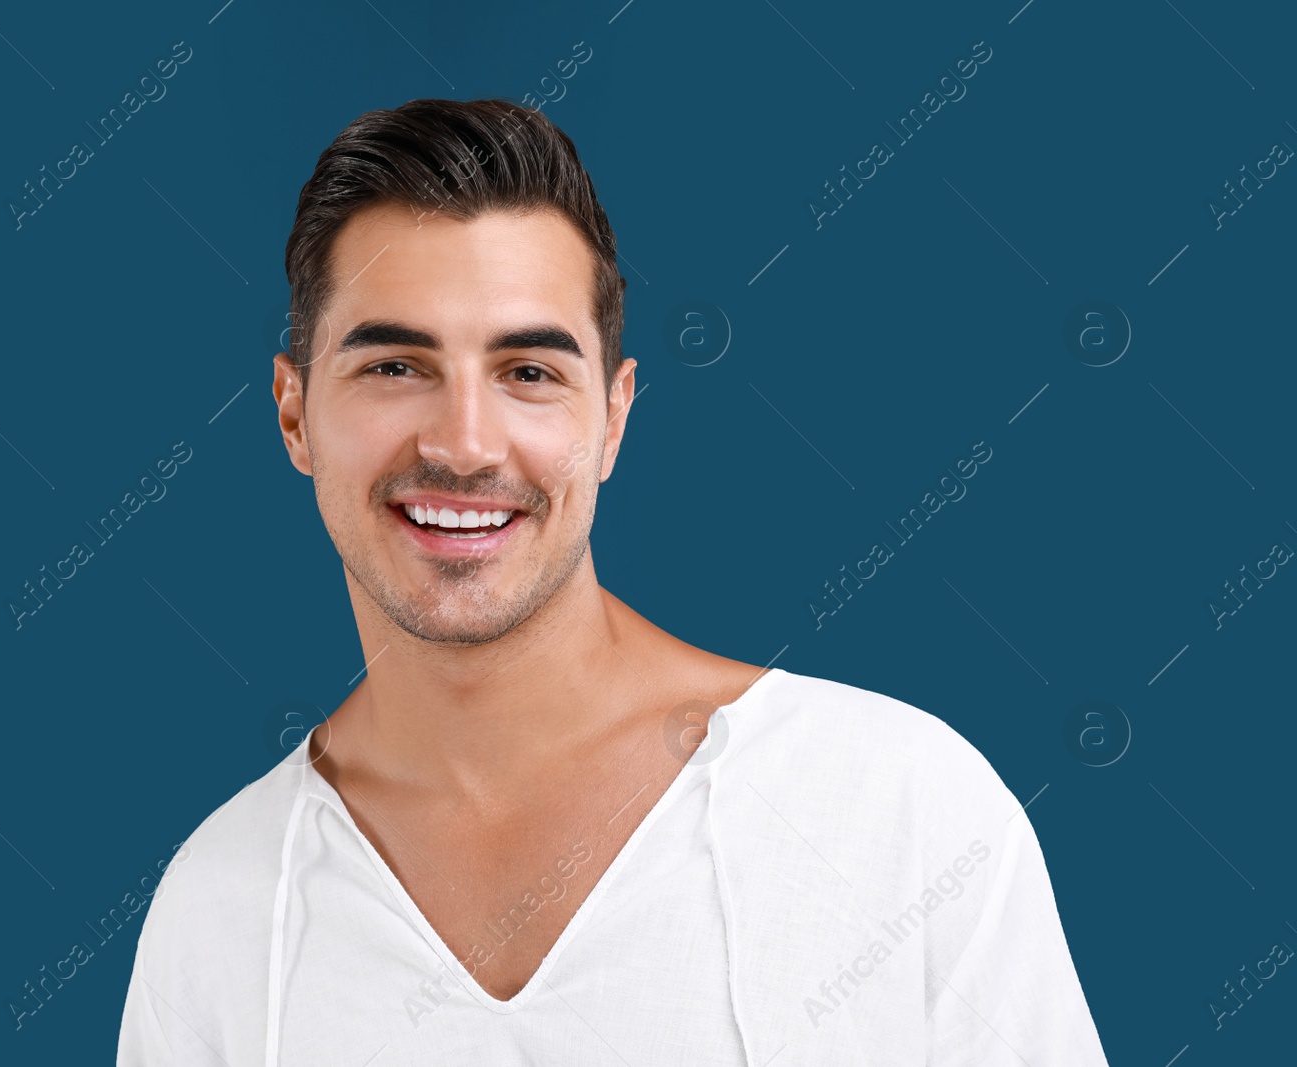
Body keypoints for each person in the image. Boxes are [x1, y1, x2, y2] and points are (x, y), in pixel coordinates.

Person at [117, 98, 1109, 1065]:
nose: (463, 443)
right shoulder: (220, 908)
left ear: (614, 417)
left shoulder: (898, 807)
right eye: (394, 366)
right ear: (293, 414)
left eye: (529, 372)